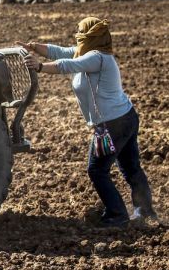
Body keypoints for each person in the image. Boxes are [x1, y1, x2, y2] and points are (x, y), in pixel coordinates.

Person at [17, 16, 157, 228]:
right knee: (131, 167)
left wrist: (40, 67)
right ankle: (145, 212)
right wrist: (34, 47)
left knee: (97, 170)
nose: (78, 37)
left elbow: (68, 64)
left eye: (81, 33)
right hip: (125, 117)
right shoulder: (89, 51)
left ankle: (117, 215)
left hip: (113, 124)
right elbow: (60, 51)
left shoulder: (98, 57)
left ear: (90, 37)